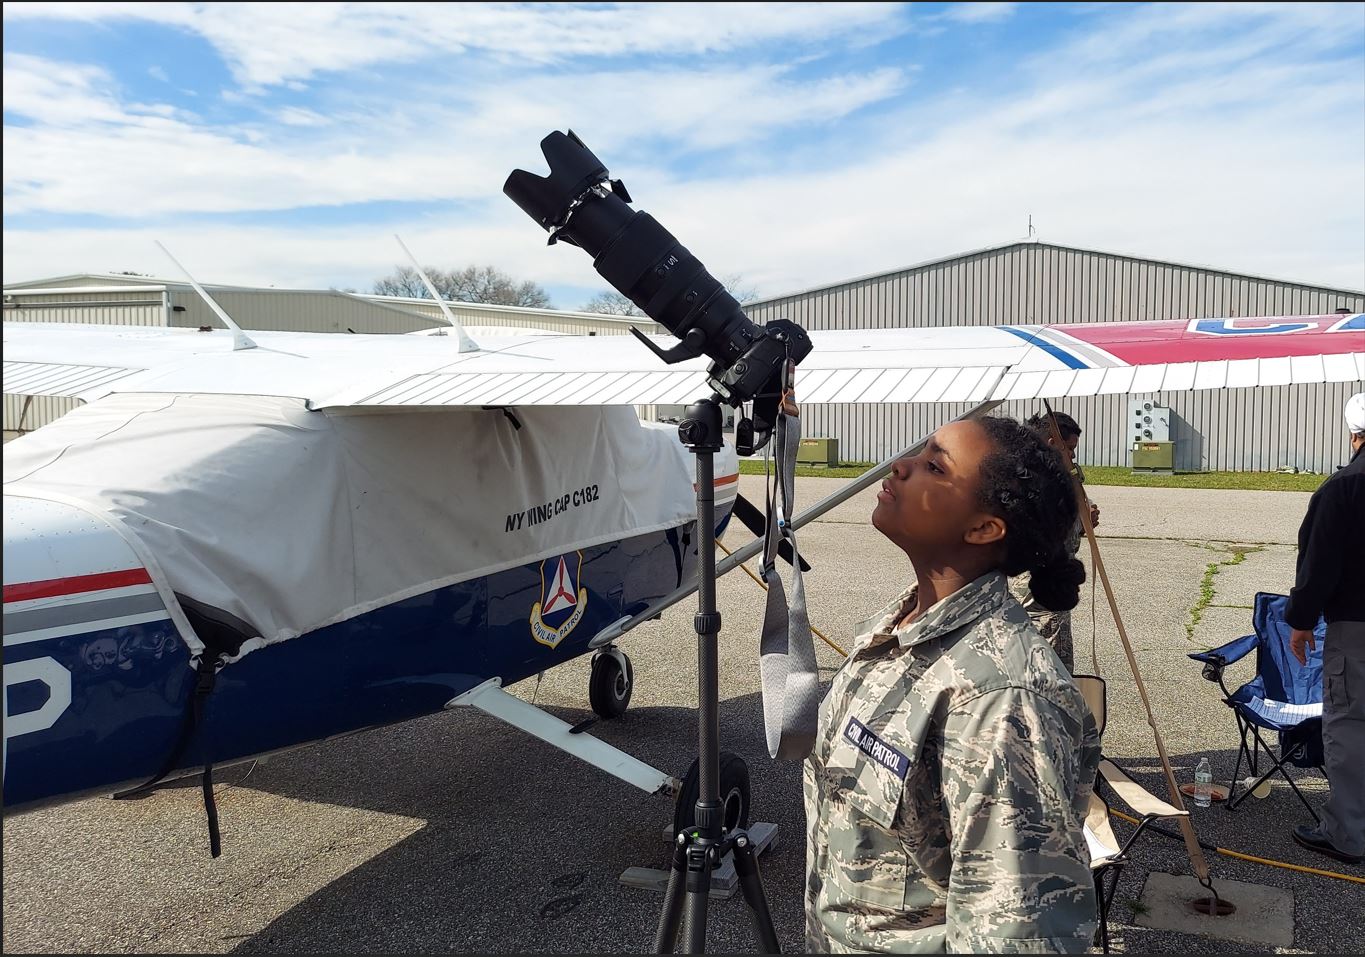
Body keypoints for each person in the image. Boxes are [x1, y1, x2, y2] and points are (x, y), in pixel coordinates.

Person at [805, 416, 1100, 953]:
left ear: (984, 528)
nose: (901, 466)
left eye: (934, 466)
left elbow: (1018, 934)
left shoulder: (1002, 697)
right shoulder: (897, 630)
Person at [1286, 391, 1365, 865]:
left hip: (1357, 627)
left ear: (1355, 435)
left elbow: (1318, 566)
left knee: (1351, 727)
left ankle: (1347, 834)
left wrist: (1299, 622)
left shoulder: (1345, 486)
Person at [1005, 411, 1099, 674]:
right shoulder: (1030, 479)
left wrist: (1082, 521)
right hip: (1035, 595)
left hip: (1043, 592)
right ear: (1051, 443)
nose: (1073, 456)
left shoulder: (1050, 477)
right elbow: (1038, 531)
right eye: (1069, 448)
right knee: (1048, 671)